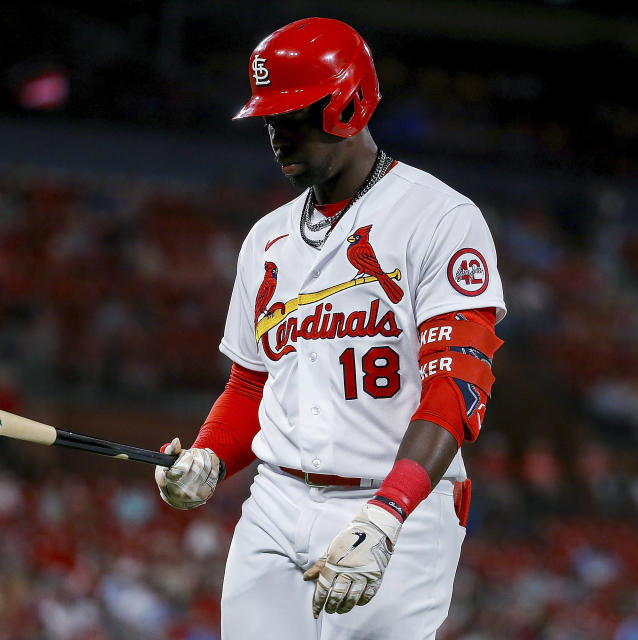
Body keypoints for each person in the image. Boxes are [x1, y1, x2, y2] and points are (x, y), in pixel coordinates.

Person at [154, 17, 506, 640]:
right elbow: (249, 388)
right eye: (269, 119)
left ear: (347, 106)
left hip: (400, 507)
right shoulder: (265, 240)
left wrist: (387, 515)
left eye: (292, 117)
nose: (276, 135)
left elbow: (457, 388)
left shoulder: (439, 218)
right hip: (276, 501)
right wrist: (209, 455)